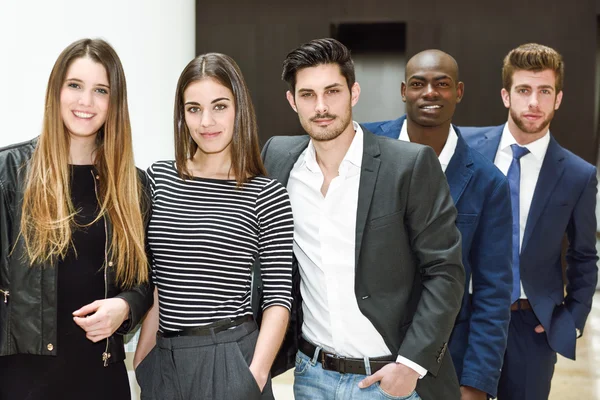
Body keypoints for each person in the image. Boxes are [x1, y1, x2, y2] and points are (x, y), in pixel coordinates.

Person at [263, 38, 465, 400]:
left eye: (333, 91)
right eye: (307, 95)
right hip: (312, 377)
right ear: (292, 101)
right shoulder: (278, 158)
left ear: (353, 93)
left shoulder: (408, 165)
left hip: (389, 380)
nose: (321, 106)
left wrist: (410, 366)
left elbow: (445, 272)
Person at [133, 53, 294, 400]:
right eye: (194, 109)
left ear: (239, 108)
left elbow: (279, 298)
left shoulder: (265, 193)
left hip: (231, 360)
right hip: (163, 362)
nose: (206, 121)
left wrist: (255, 376)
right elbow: (158, 282)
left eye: (219, 106)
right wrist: (142, 360)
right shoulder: (159, 178)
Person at [0, 38, 153, 400]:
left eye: (101, 90)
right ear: (56, 91)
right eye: (75, 86)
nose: (86, 101)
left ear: (115, 103)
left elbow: (146, 280)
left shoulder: (133, 186)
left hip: (102, 378)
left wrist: (126, 306)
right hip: (22, 381)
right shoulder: (9, 173)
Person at [363, 49, 513, 400]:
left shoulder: (488, 183)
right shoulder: (362, 147)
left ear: (458, 92)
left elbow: (493, 293)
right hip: (361, 356)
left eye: (441, 84)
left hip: (442, 364)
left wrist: (477, 383)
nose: (430, 93)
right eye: (418, 84)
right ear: (404, 91)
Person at [461, 43, 598, 400]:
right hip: (466, 315)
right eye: (524, 90)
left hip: (529, 326)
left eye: (544, 91)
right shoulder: (466, 147)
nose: (533, 102)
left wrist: (570, 321)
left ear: (559, 98)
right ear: (506, 95)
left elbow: (584, 257)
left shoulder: (579, 176)